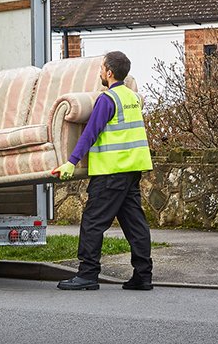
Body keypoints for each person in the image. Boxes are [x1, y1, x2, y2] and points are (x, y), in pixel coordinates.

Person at [51, 51, 154, 291]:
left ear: (109, 72)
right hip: (132, 170)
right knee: (135, 224)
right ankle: (143, 275)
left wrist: (71, 161)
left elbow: (90, 133)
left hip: (110, 172)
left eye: (101, 68)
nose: (99, 72)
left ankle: (87, 274)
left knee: (93, 221)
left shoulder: (107, 100)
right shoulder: (133, 98)